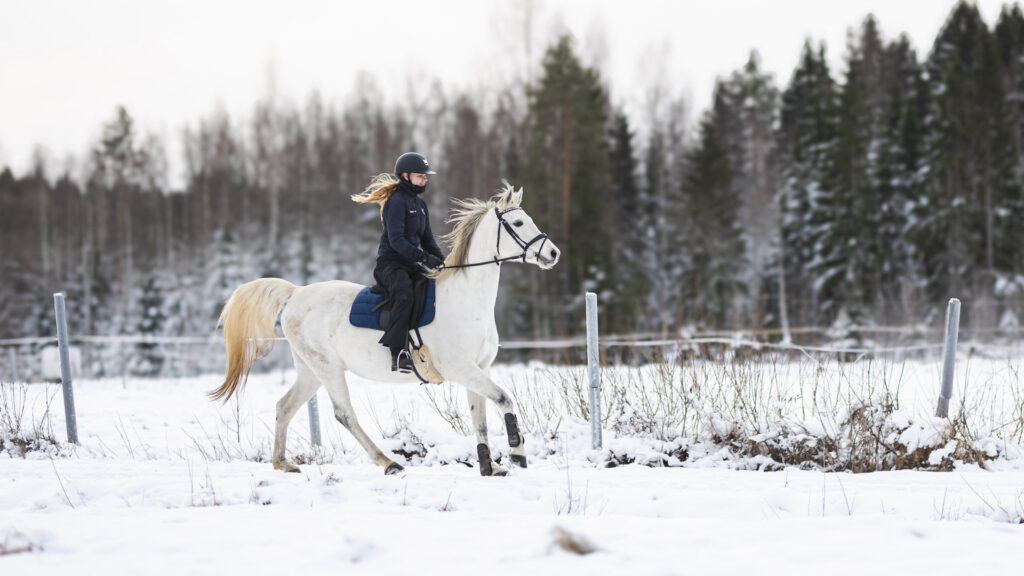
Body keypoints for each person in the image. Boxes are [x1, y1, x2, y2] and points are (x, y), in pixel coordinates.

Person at [351, 152, 445, 372]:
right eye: (420, 176)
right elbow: (396, 241)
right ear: (405, 176)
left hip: (412, 264)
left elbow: (428, 240)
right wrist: (423, 257)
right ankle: (398, 353)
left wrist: (442, 261)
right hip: (390, 265)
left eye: (425, 176)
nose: (425, 179)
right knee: (404, 293)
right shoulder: (396, 201)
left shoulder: (420, 204)